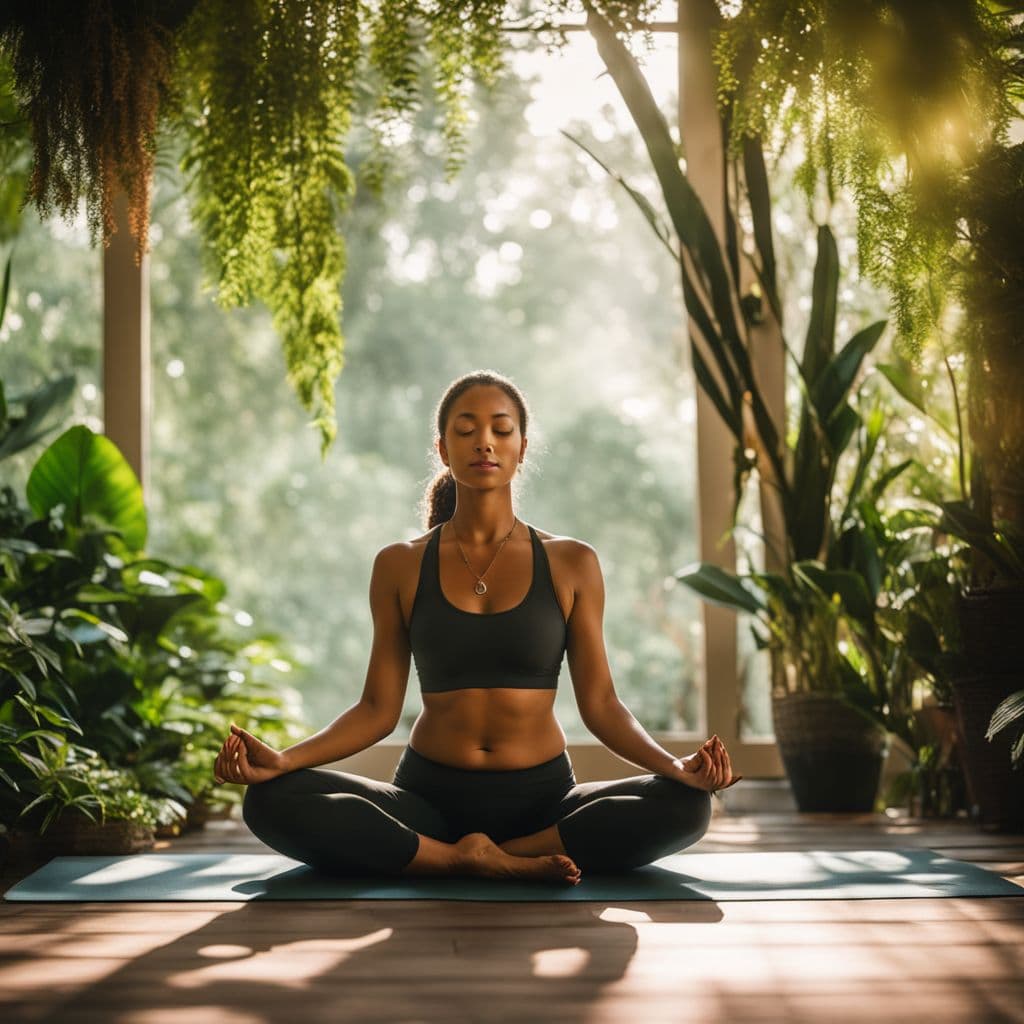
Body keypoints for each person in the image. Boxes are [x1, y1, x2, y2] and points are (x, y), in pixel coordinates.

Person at [216, 370, 742, 884]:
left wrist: (674, 766)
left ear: (522, 447)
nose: (483, 443)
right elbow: (377, 710)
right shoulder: (399, 564)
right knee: (270, 799)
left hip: (543, 805)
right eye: (465, 431)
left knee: (686, 806)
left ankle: (492, 854)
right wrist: (283, 761)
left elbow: (601, 705)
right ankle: (455, 858)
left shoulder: (571, 562)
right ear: (443, 449)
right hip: (427, 799)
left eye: (500, 429)